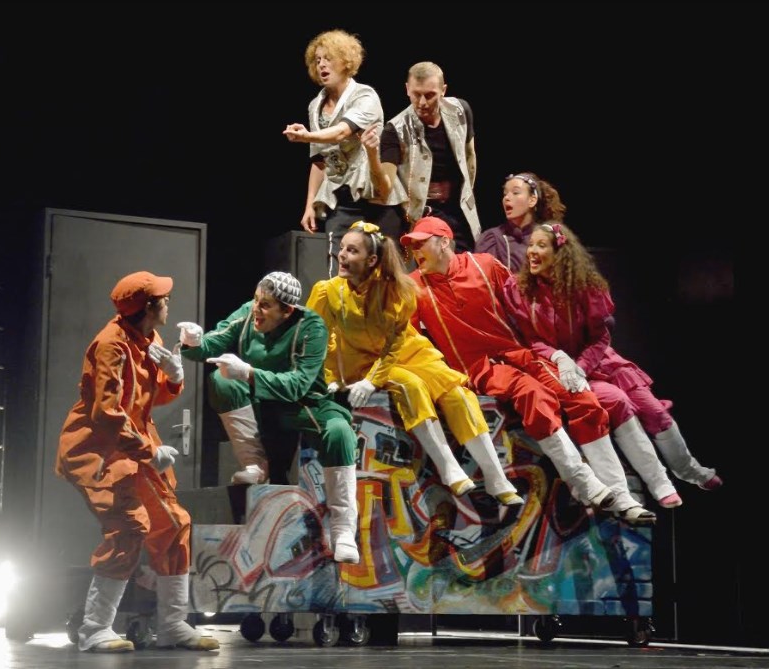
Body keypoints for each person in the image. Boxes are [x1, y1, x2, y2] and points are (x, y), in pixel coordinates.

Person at [401, 217, 656, 524]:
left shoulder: (484, 264)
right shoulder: (413, 286)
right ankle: (584, 481)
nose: (415, 251)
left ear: (444, 242)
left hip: (518, 352)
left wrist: (557, 349)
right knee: (533, 394)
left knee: (581, 396)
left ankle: (622, 497)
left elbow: (524, 302)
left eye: (421, 243)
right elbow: (408, 339)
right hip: (479, 367)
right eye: (412, 245)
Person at [55, 271, 219, 653]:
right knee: (129, 525)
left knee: (175, 523)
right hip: (98, 450)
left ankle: (172, 624)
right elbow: (107, 413)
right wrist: (148, 452)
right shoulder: (111, 345)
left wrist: (174, 376)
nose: (168, 303)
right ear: (148, 307)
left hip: (134, 444)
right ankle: (94, 628)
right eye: (163, 299)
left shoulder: (150, 339)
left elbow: (148, 397)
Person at [305, 221, 523, 507]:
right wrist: (330, 376)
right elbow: (315, 337)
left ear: (372, 260)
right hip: (360, 362)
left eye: (352, 250)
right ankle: (448, 467)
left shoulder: (395, 290)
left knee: (457, 393)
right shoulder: (328, 291)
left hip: (405, 354)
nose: (342, 255)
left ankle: (496, 478)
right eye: (342, 248)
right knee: (411, 385)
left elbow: (394, 344)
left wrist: (372, 382)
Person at [503, 221, 723, 500]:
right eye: (531, 245)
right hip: (560, 369)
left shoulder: (586, 287)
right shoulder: (520, 289)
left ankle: (688, 469)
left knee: (654, 411)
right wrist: (559, 358)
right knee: (619, 404)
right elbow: (533, 339)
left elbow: (600, 337)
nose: (532, 251)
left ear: (560, 253)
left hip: (599, 363)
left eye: (541, 245)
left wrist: (581, 366)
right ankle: (660, 484)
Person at [177, 271, 361, 564]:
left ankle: (343, 528)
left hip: (305, 405)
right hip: (263, 404)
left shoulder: (311, 327)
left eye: (265, 305)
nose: (256, 309)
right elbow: (214, 343)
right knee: (222, 381)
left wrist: (249, 373)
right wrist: (194, 341)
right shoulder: (248, 314)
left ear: (286, 311)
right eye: (256, 300)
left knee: (340, 432)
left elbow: (298, 385)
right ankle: (255, 464)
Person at [283, 29, 407, 276]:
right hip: (340, 198)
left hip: (375, 198)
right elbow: (319, 161)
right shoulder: (315, 106)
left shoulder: (365, 96)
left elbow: (341, 131)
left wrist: (306, 136)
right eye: (317, 60)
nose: (321, 64)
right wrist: (310, 204)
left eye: (328, 58)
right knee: (340, 271)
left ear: (346, 61)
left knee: (385, 274)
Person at [367, 61, 480, 253]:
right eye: (416, 94)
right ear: (407, 89)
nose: (422, 103)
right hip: (422, 212)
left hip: (458, 207)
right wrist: (371, 155)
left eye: (429, 95)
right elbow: (385, 188)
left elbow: (470, 157)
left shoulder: (461, 110)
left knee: (465, 261)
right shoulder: (395, 129)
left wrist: (467, 195)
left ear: (443, 90)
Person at [475, 172, 566, 273]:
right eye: (505, 194)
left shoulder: (548, 237)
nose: (506, 198)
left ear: (532, 200)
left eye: (515, 193)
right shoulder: (493, 239)